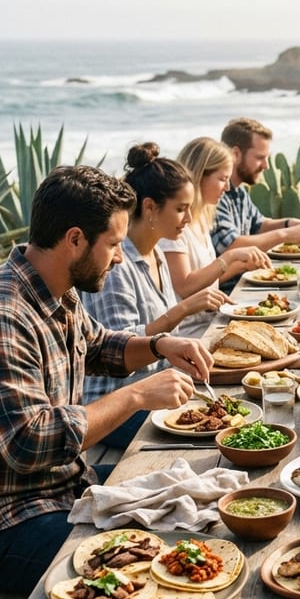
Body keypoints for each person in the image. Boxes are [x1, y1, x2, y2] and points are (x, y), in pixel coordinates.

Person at [0, 165, 215, 594]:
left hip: (62, 487)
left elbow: (100, 345)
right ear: (75, 240)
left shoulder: (57, 289)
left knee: (186, 497)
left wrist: (160, 345)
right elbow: (30, 444)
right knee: (158, 562)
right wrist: (138, 395)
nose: (120, 257)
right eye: (114, 244)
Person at [81, 143, 232, 448]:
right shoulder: (116, 267)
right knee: (214, 439)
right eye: (180, 208)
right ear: (149, 207)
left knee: (230, 416)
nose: (188, 219)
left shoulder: (157, 255)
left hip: (158, 391)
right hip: (117, 406)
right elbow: (121, 349)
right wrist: (182, 309)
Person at [160, 137, 270, 336]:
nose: (227, 187)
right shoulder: (174, 226)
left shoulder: (203, 216)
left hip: (212, 320)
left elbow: (206, 277)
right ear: (199, 175)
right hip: (189, 333)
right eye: (222, 179)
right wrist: (230, 257)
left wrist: (242, 264)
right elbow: (185, 287)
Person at [214, 118, 300, 292]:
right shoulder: (216, 195)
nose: (266, 166)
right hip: (228, 293)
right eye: (260, 158)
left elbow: (258, 224)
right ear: (236, 154)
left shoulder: (239, 191)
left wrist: (288, 223)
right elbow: (232, 246)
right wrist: (285, 234)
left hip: (249, 283)